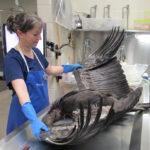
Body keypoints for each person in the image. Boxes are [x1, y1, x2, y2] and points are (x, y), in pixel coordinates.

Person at [4, 12, 84, 140]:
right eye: (35, 34)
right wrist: (33, 119)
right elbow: (22, 92)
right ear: (20, 33)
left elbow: (49, 69)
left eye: (40, 33)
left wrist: (70, 67)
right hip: (23, 117)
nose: (40, 38)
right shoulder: (12, 59)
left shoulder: (35, 52)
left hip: (42, 113)